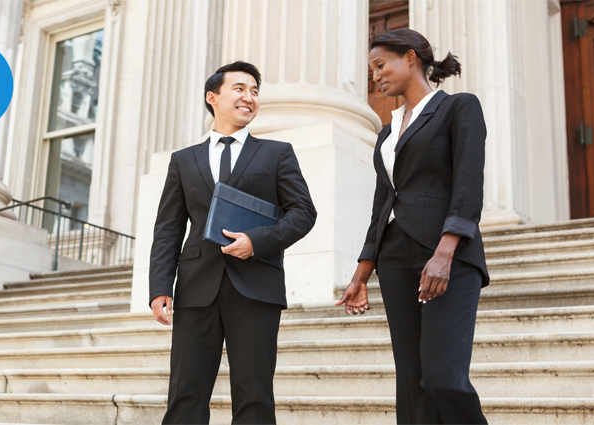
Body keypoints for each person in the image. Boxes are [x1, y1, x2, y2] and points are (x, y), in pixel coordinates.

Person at [149, 61, 316, 424]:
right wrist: (160, 287)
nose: (249, 97)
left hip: (256, 286)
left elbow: (303, 213)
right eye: (240, 88)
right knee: (185, 394)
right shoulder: (183, 160)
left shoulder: (277, 153)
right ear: (213, 97)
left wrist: (257, 241)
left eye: (255, 91)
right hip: (196, 287)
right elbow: (168, 228)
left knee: (254, 395)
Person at [336, 28, 490, 424]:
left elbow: (468, 183)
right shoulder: (386, 132)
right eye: (371, 69)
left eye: (380, 64)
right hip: (394, 257)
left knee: (444, 379)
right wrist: (362, 271)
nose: (375, 76)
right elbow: (382, 201)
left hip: (445, 255)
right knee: (412, 383)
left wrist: (445, 251)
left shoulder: (459, 107)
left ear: (410, 57)